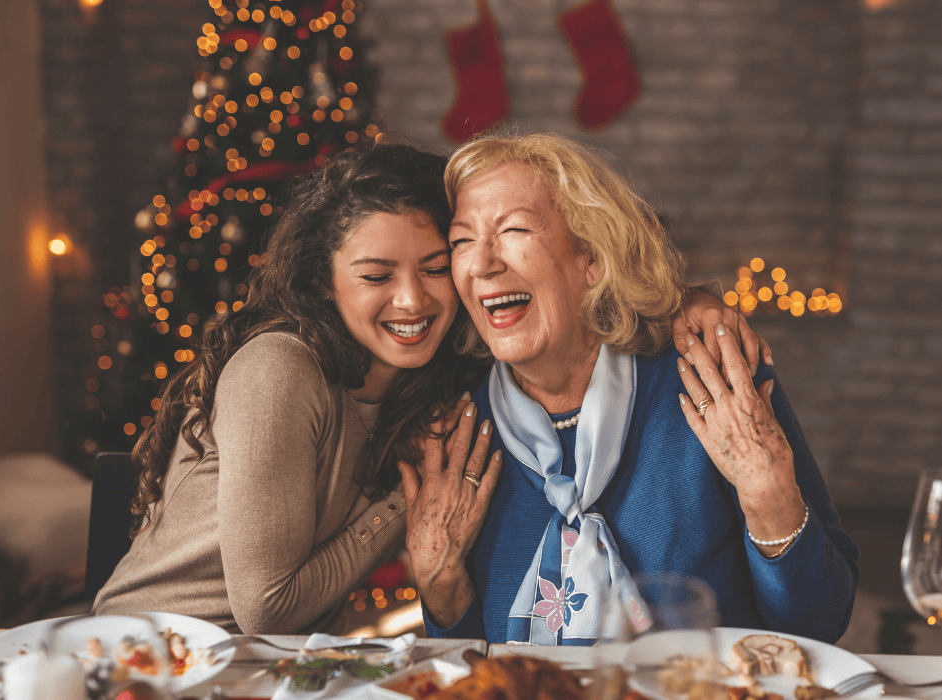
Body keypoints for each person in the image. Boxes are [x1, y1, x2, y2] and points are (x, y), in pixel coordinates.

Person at [92, 140, 754, 634]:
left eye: (436, 266)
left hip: (280, 667)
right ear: (325, 282)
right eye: (376, 276)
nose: (412, 301)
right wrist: (400, 505)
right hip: (156, 655)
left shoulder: (443, 375)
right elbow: (267, 609)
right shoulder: (281, 370)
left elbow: (581, 292)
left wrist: (685, 305)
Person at [403, 133, 858, 646]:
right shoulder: (460, 426)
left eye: (514, 230)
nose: (482, 263)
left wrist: (769, 497)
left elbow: (821, 624)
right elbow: (464, 666)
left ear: (592, 258)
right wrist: (440, 586)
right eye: (461, 241)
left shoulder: (709, 376)